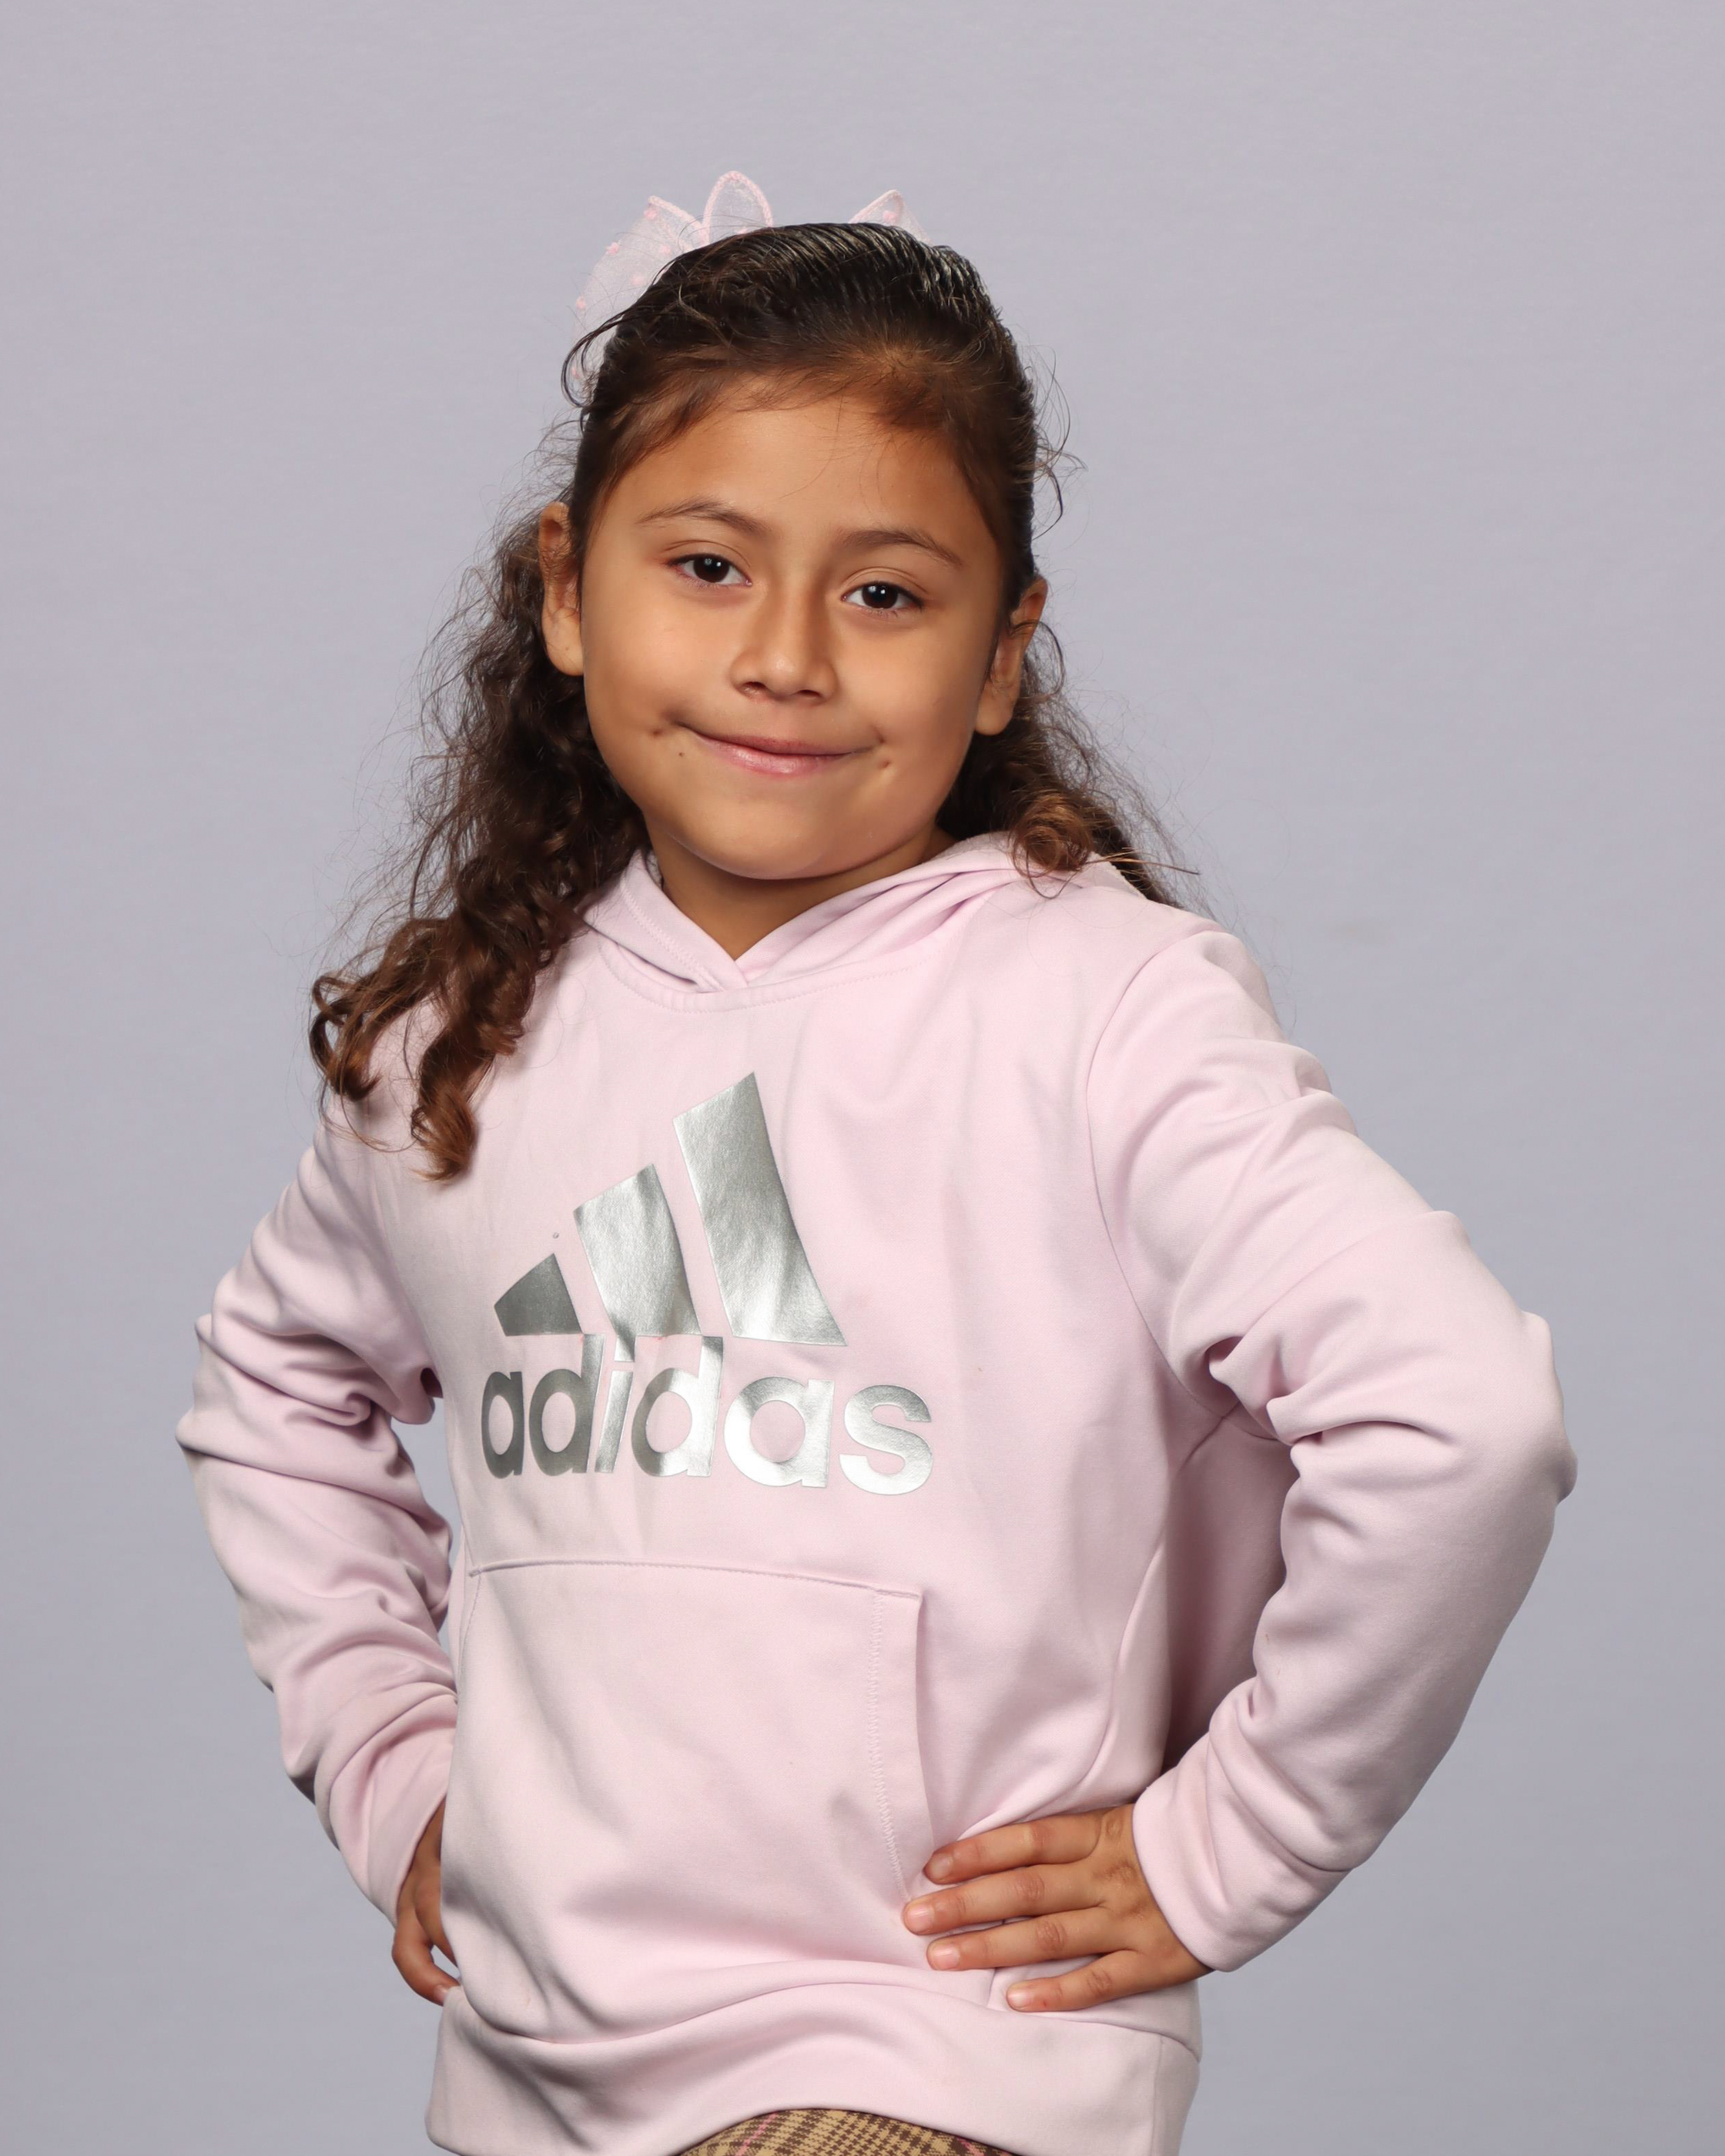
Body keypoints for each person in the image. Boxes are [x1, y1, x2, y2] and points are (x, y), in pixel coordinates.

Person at [175, 172, 1579, 2156]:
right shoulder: (461, 1037)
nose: (787, 658)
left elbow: (1460, 1420)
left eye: (888, 595)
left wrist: (1233, 1841)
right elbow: (274, 1389)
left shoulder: (1098, 1007)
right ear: (567, 588)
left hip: (927, 2060)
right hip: (528, 2071)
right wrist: (394, 1760)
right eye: (708, 565)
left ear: (1003, 654)